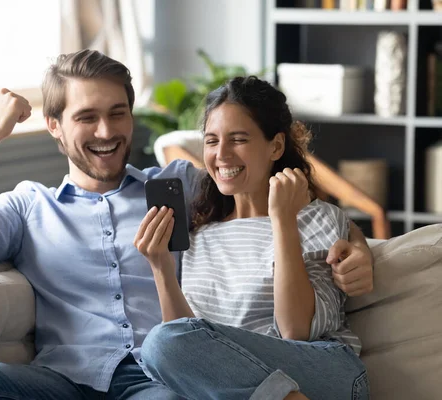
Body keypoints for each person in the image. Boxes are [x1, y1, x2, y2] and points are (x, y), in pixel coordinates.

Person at [0, 50, 373, 399]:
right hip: (60, 379)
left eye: (117, 113)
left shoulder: (176, 187)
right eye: (86, 117)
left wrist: (359, 244)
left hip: (157, 380)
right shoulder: (29, 207)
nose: (105, 132)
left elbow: (261, 194)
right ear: (55, 126)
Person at [134, 76, 370, 400]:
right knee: (164, 349)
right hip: (249, 388)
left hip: (326, 373)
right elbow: (188, 350)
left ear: (275, 145)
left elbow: (296, 330)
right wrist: (161, 265)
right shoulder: (200, 235)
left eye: (238, 139)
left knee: (159, 343)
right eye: (212, 141)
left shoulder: (318, 219)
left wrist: (283, 221)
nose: (222, 154)